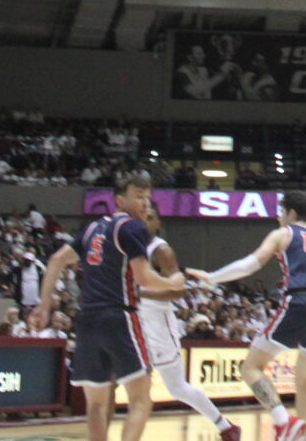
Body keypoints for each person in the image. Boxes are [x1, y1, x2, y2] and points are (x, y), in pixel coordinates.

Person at [29, 172, 188, 441]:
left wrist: (43, 306)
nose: (146, 203)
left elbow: (56, 260)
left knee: (96, 404)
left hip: (87, 321)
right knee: (140, 400)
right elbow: (144, 278)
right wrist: (173, 282)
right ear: (120, 200)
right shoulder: (132, 227)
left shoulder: (91, 229)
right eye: (139, 196)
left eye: (148, 197)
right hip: (119, 317)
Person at [187, 191, 306, 441]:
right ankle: (302, 438)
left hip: (297, 300)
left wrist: (213, 277)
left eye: (281, 212)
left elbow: (250, 264)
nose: (278, 218)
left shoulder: (283, 234)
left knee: (250, 368)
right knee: (304, 381)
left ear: (291, 213)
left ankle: (284, 421)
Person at [138, 208, 238, 438]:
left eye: (150, 218)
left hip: (158, 323)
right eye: (141, 216)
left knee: (177, 387)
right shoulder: (128, 246)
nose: (144, 221)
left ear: (158, 224)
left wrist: (140, 295)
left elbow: (178, 292)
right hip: (133, 320)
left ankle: (225, 426)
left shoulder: (161, 251)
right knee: (128, 380)